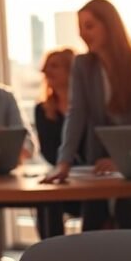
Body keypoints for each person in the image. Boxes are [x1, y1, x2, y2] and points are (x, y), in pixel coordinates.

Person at [41, 0, 131, 230]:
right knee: (93, 221)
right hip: (99, 161)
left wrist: (123, 159)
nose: (82, 34)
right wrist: (64, 162)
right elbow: (76, 114)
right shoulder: (83, 65)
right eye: (80, 29)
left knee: (129, 213)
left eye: (89, 26)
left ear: (110, 25)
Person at [34, 47, 80, 237]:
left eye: (54, 66)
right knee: (47, 200)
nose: (46, 71)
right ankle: (51, 257)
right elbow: (48, 151)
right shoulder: (42, 110)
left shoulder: (87, 107)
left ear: (71, 70)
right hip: (64, 178)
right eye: (46, 67)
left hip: (91, 177)